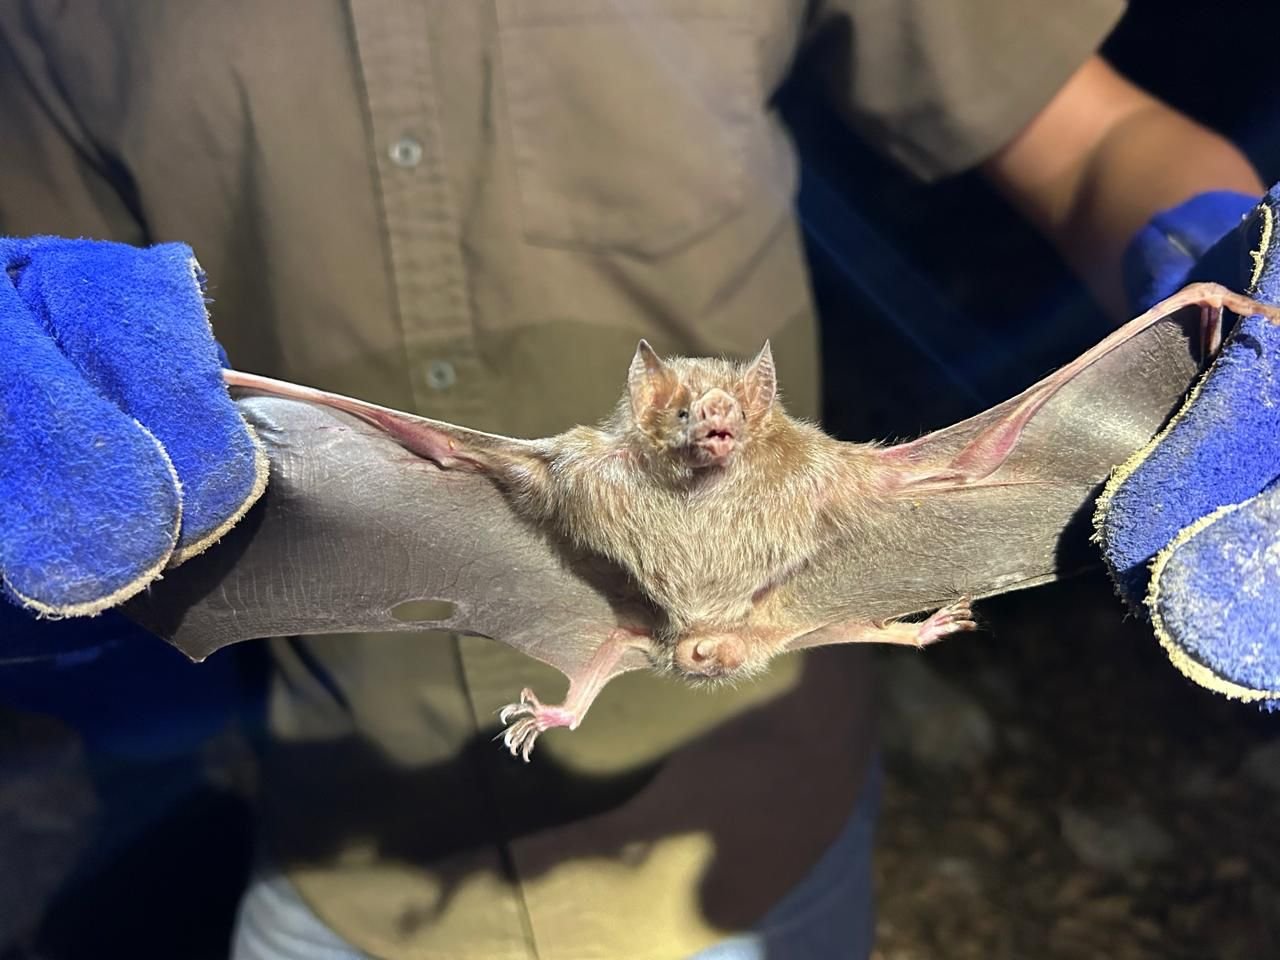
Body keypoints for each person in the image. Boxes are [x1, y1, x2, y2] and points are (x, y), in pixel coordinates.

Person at [0, 2, 1264, 958]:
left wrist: (1222, 255)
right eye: (686, 409)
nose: (710, 426)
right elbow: (52, 313)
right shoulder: (556, 476)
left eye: (729, 410)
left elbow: (1093, 135)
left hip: (758, 832)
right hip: (348, 855)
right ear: (642, 398)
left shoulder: (827, 482)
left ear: (758, 403)